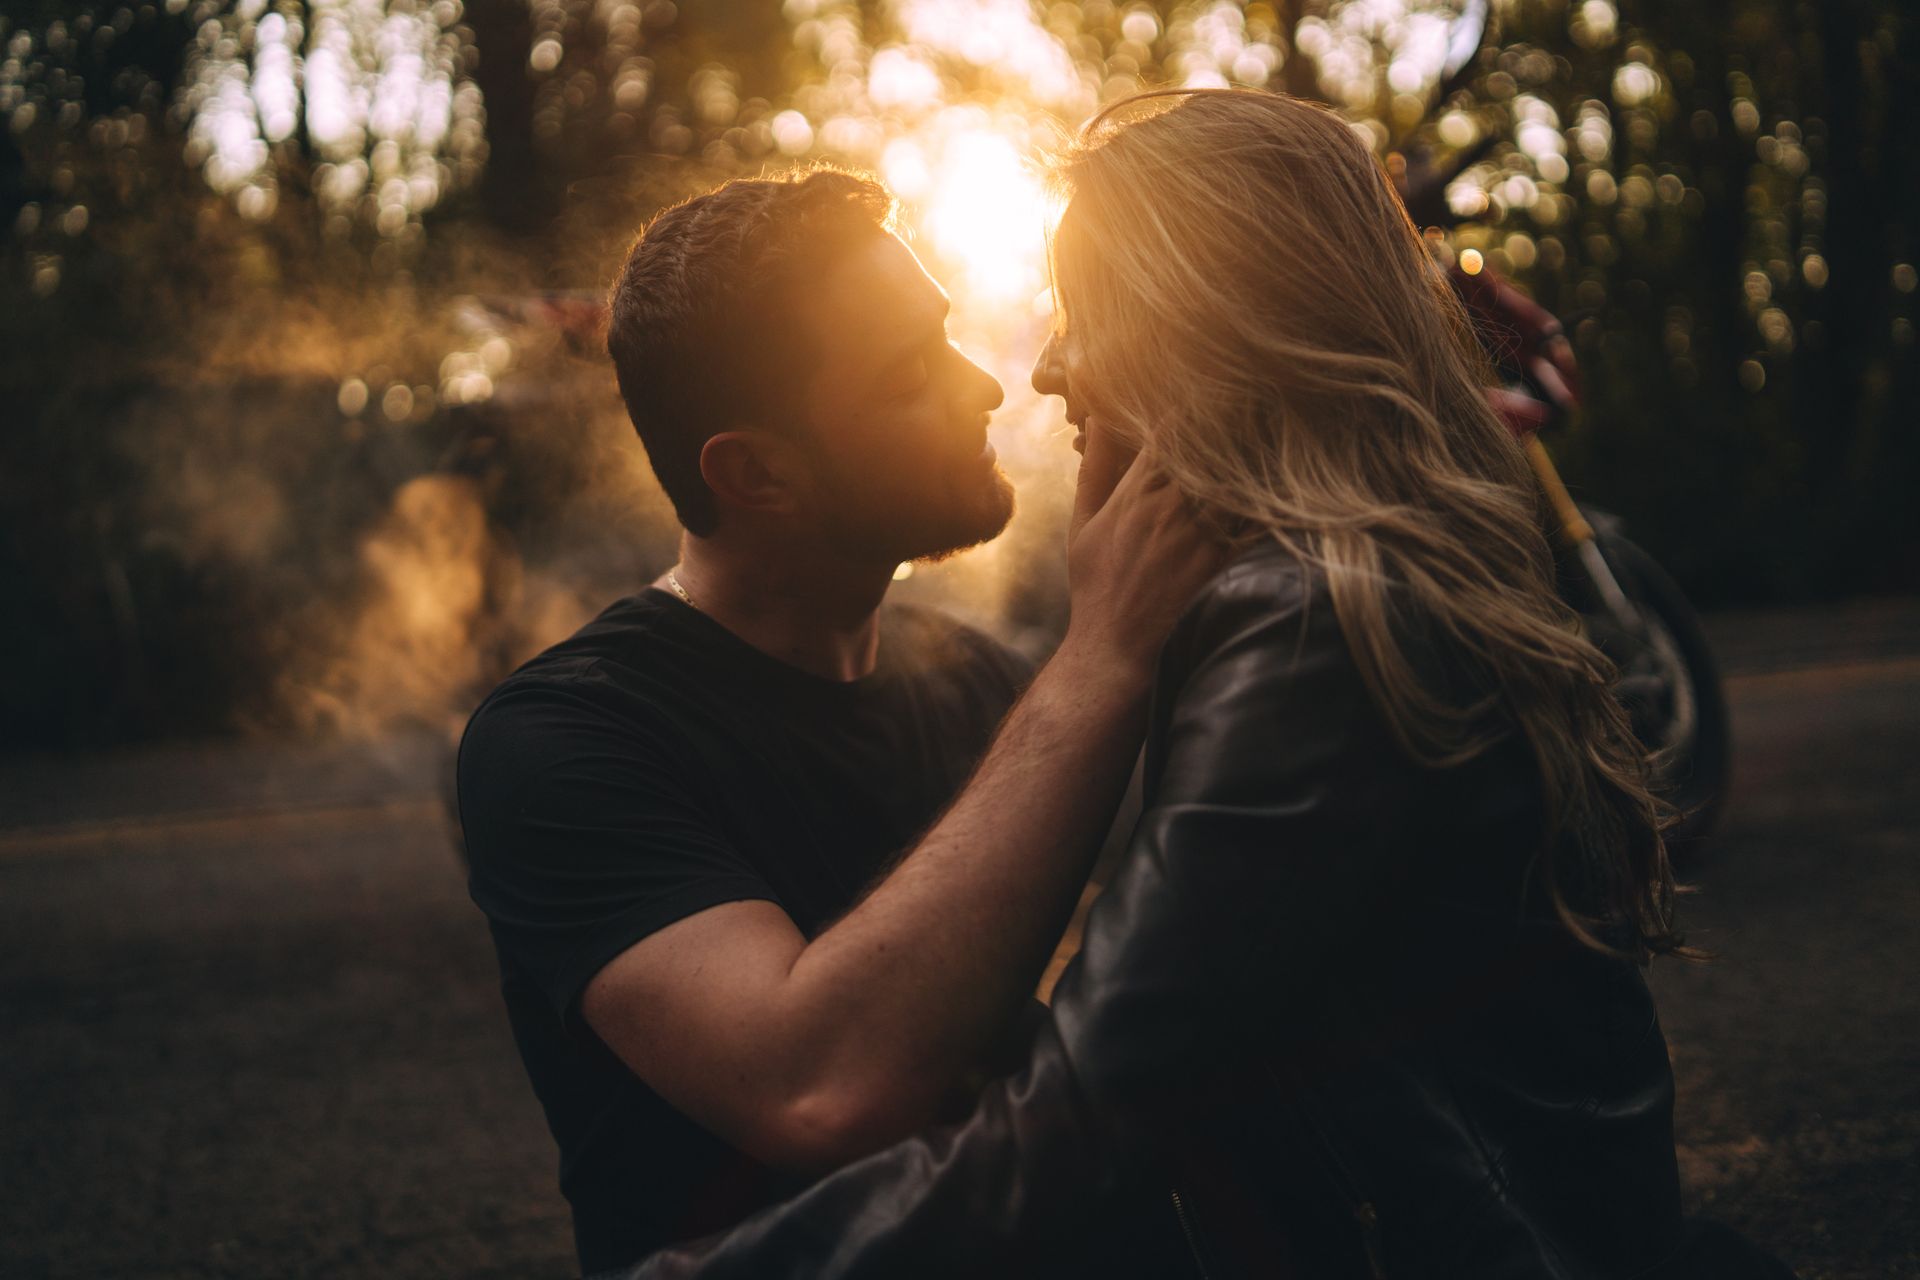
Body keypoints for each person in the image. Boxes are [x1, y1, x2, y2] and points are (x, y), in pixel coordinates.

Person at [613, 90, 1798, 1279]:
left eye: (1085, 312)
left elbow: (1091, 1115)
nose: (1042, 370)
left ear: (1207, 325)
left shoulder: (1308, 627)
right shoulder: (1359, 583)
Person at [456, 170, 1226, 1275]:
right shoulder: (564, 741)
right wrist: (1104, 653)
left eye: (948, 337)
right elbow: (817, 1088)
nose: (984, 391)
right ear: (759, 471)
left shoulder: (972, 678)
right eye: (912, 372)